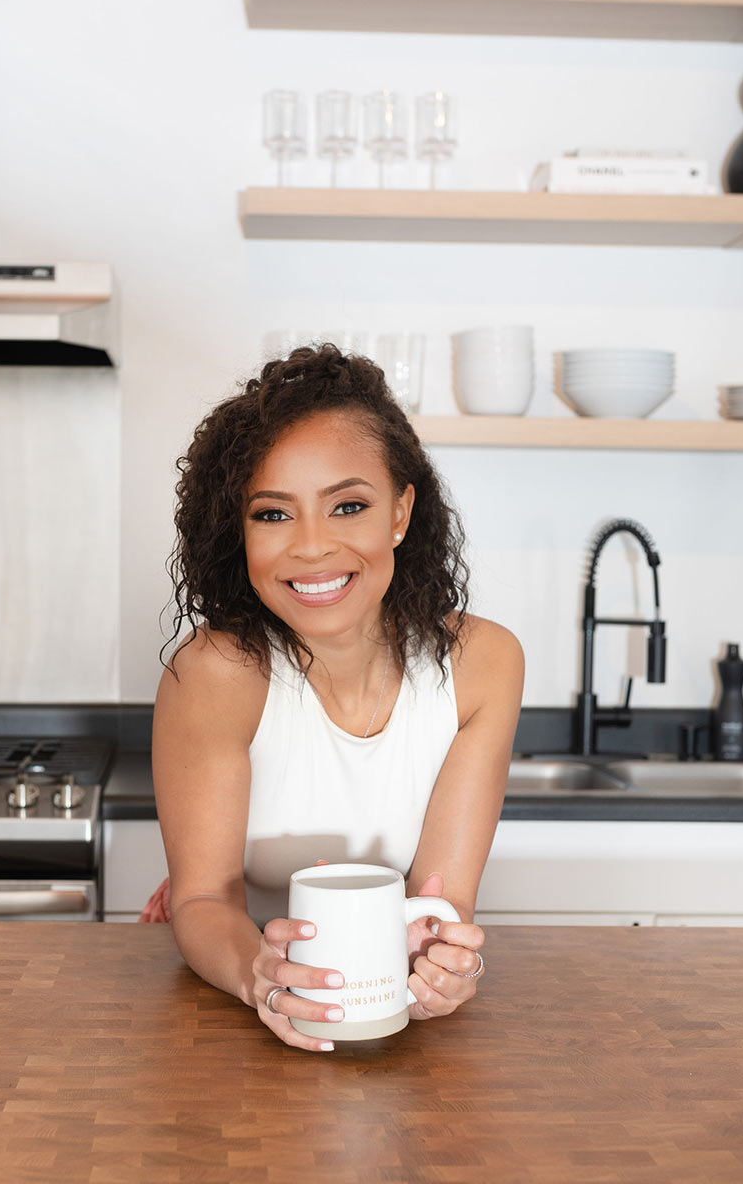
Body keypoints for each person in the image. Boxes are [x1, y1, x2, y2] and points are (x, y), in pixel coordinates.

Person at [151, 344, 524, 1052]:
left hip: (382, 1016)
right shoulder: (216, 673)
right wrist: (255, 972)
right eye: (273, 515)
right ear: (240, 532)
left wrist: (438, 960)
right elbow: (203, 900)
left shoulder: (484, 665)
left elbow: (442, 896)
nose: (313, 549)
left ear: (400, 512)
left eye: (347, 506)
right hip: (230, 1011)